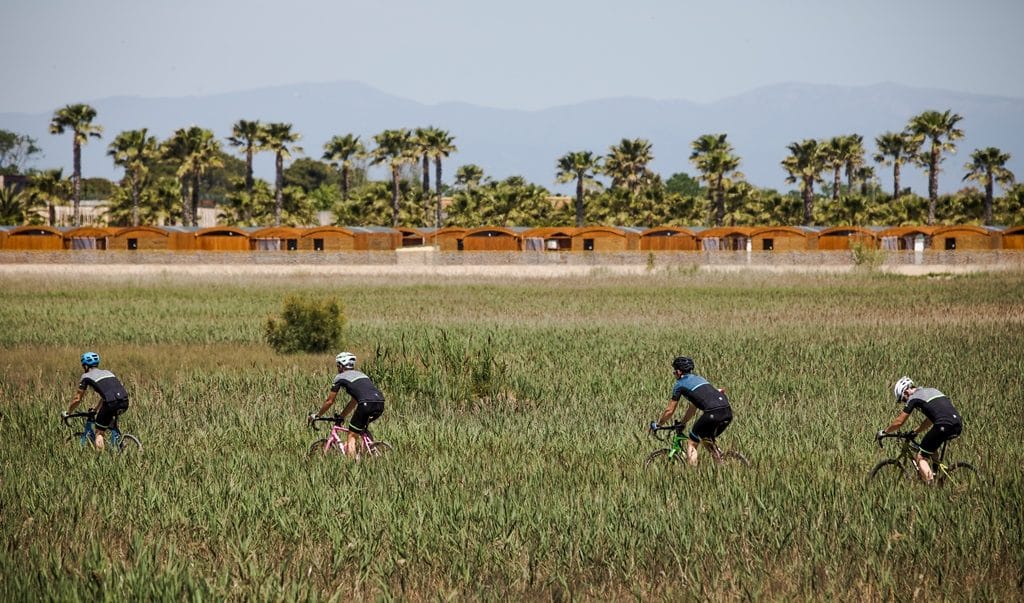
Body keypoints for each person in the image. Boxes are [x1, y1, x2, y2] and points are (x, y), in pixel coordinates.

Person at [878, 376, 963, 484]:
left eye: (903, 399)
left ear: (906, 391)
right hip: (957, 424)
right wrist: (915, 431)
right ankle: (936, 476)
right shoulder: (933, 390)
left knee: (921, 456)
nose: (905, 402)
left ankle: (931, 486)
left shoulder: (914, 398)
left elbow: (899, 421)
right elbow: (930, 420)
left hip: (943, 425)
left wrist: (885, 432)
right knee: (931, 448)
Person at [651, 356, 733, 466]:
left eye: (674, 371)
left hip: (712, 413)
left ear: (679, 371)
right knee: (705, 438)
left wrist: (659, 424)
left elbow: (669, 411)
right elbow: (692, 409)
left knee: (691, 443)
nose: (674, 374)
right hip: (727, 412)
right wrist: (683, 423)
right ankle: (722, 466)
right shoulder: (700, 379)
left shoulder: (679, 385)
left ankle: (692, 474)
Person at [310, 352, 385, 459]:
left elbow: (329, 401)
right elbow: (353, 401)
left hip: (365, 404)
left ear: (341, 365)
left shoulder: (339, 377)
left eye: (337, 366)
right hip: (380, 402)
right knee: (361, 429)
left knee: (351, 435)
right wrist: (342, 416)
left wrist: (317, 415)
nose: (337, 368)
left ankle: (351, 465)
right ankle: (369, 451)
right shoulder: (362, 375)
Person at [64, 351, 130, 451]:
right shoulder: (108, 372)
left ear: (85, 366)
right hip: (125, 401)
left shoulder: (86, 377)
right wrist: (95, 409)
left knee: (99, 432)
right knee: (109, 423)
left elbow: (77, 399)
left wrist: (68, 412)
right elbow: (106, 396)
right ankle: (119, 446)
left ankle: (101, 459)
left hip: (111, 404)